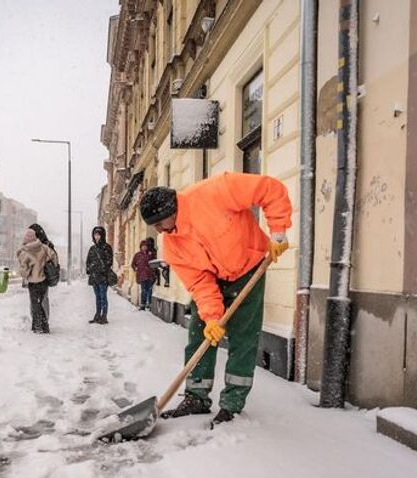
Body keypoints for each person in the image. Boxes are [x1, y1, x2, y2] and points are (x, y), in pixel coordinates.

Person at [139, 172, 291, 428]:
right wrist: (211, 317)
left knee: (243, 337)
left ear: (171, 210)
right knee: (200, 333)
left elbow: (269, 189)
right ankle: (196, 396)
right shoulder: (173, 245)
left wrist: (278, 232)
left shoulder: (216, 192)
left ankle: (232, 403)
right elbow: (200, 283)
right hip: (214, 279)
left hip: (249, 267)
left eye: (158, 223)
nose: (157, 230)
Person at [17, 228, 58, 334]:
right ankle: (45, 326)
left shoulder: (25, 252)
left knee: (36, 304)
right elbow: (54, 257)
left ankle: (38, 327)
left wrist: (27, 269)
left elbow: (24, 272)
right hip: (44, 280)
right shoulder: (43, 247)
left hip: (33, 282)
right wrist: (46, 265)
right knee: (40, 304)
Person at [28, 223, 58, 319]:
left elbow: (54, 259)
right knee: (36, 299)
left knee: (42, 298)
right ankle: (37, 320)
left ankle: (43, 320)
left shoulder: (46, 245)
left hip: (43, 276)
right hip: (34, 276)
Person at [86, 226, 114, 324]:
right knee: (97, 297)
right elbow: (88, 261)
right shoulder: (92, 248)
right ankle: (97, 315)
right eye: (95, 235)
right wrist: (89, 270)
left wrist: (102, 270)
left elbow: (109, 261)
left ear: (102, 235)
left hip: (103, 277)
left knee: (103, 296)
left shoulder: (107, 247)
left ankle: (104, 316)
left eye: (98, 235)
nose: (96, 237)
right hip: (94, 277)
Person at [131, 240, 156, 310]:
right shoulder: (138, 255)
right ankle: (143, 304)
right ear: (141, 247)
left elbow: (154, 262)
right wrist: (135, 268)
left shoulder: (150, 254)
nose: (144, 247)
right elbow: (133, 264)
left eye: (145, 246)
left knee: (150, 290)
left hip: (150, 274)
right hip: (142, 275)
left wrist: (153, 270)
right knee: (143, 290)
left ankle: (149, 303)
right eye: (143, 246)